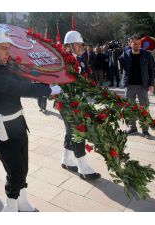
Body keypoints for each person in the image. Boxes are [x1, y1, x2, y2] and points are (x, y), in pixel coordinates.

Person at [0, 27, 61, 212]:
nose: (8, 52)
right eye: (3, 48)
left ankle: (22, 202)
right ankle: (10, 207)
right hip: (1, 131)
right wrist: (48, 90)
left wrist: (50, 78)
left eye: (8, 48)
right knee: (15, 172)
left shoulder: (5, 67)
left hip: (17, 126)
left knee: (23, 169)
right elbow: (18, 88)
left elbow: (27, 81)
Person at [60, 30, 100, 181]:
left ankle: (65, 160)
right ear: (69, 46)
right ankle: (83, 167)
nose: (81, 47)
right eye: (77, 44)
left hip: (77, 102)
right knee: (78, 132)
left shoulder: (80, 61)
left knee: (71, 132)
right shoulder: (62, 63)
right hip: (67, 104)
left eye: (81, 44)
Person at [119, 34, 155, 139]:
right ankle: (133, 128)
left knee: (144, 108)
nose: (137, 45)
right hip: (129, 86)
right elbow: (119, 67)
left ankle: (145, 130)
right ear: (130, 44)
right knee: (130, 108)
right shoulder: (125, 55)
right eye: (134, 44)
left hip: (142, 86)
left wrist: (151, 84)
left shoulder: (147, 55)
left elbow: (152, 70)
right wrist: (123, 79)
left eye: (139, 43)